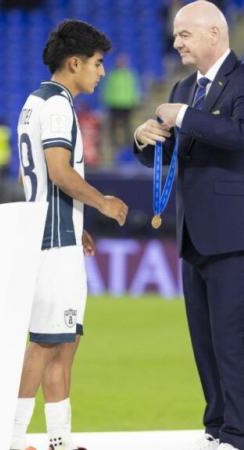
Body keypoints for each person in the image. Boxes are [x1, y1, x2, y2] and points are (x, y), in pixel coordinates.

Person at [12, 20, 128, 450]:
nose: (101, 72)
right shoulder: (58, 107)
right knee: (45, 343)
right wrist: (102, 203)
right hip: (51, 241)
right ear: (74, 62)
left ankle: (59, 439)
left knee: (65, 339)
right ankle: (10, 437)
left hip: (58, 232)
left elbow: (43, 177)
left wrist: (78, 225)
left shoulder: (36, 101)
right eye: (97, 64)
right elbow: (59, 172)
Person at [133, 2, 244, 449]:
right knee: (204, 342)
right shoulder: (183, 86)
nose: (175, 42)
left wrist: (183, 117)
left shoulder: (240, 81)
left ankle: (239, 432)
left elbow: (238, 135)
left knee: (233, 340)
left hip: (234, 235)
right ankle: (217, 426)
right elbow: (172, 149)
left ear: (215, 33)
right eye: (176, 35)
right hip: (193, 234)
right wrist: (144, 139)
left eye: (184, 34)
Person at [101, 53, 140, 161]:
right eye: (120, 61)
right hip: (114, 104)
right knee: (113, 126)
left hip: (127, 104)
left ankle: (128, 144)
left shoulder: (130, 75)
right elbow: (107, 89)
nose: (121, 63)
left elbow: (134, 89)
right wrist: (106, 101)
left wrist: (134, 101)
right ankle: (114, 144)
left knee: (127, 126)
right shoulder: (112, 75)